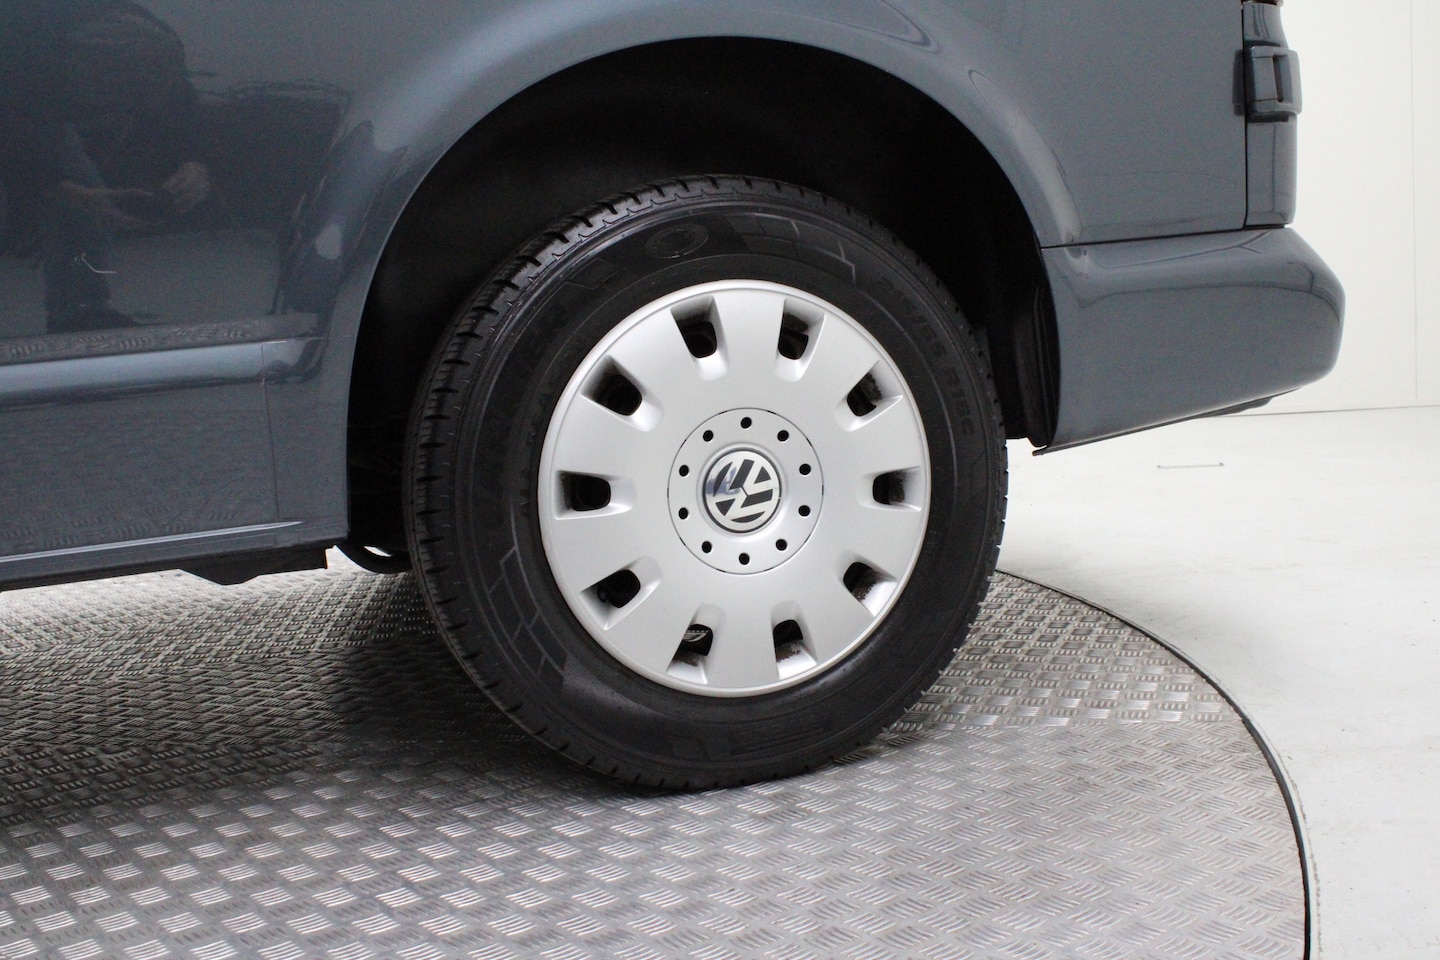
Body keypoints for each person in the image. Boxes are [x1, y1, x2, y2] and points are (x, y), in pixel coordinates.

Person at [0, 0, 208, 334]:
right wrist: (60, 189)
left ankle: (79, 313)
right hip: (15, 109)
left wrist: (195, 163)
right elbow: (16, 141)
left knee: (83, 195)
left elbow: (179, 99)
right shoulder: (23, 59)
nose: (131, 113)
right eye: (120, 102)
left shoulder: (151, 45)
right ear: (83, 70)